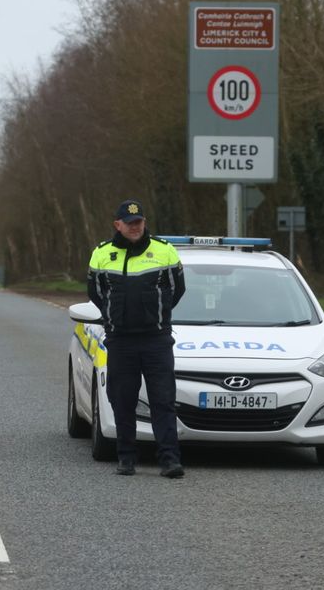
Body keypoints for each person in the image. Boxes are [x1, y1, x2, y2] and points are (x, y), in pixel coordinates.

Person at [86, 199, 186, 478]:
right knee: (122, 399)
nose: (135, 227)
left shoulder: (164, 251)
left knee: (163, 400)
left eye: (139, 222)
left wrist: (157, 315)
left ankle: (169, 460)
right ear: (118, 224)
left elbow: (177, 290)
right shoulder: (101, 254)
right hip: (120, 341)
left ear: (144, 222)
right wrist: (113, 317)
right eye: (129, 223)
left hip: (156, 339)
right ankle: (126, 458)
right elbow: (95, 292)